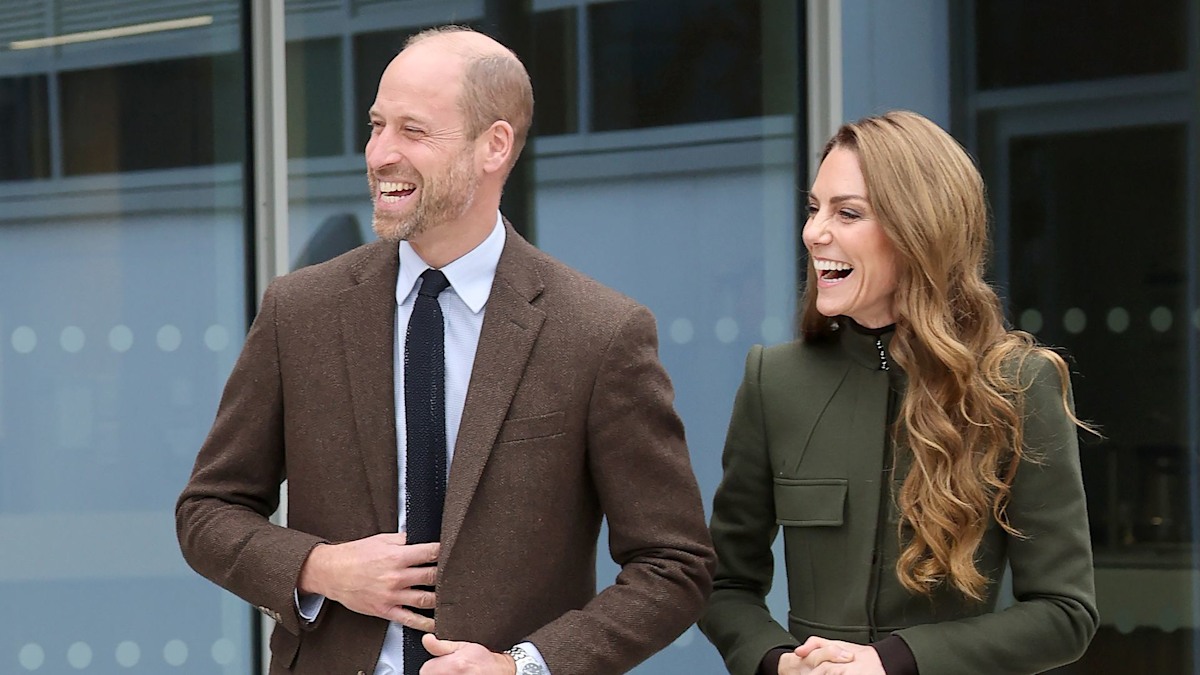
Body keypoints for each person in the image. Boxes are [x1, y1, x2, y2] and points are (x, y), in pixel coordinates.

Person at [176, 25, 714, 675]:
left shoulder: (599, 332)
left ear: (494, 145)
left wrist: (523, 666)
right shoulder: (300, 310)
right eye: (376, 126)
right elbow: (208, 512)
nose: (380, 154)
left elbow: (673, 564)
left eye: (413, 130)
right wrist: (321, 567)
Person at [698, 110, 1098, 675]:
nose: (814, 233)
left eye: (847, 213)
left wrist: (894, 662)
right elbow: (724, 584)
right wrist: (777, 661)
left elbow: (1064, 613)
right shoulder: (775, 380)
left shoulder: (1018, 385)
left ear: (919, 229)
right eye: (814, 209)